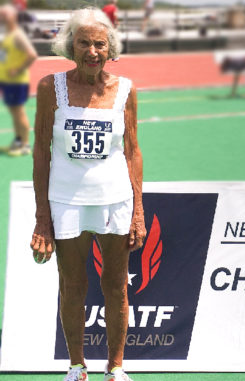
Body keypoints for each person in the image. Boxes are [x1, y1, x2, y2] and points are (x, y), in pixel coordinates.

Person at [30, 8, 145, 381]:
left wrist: (138, 211)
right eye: (84, 43)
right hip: (66, 201)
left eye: (100, 43)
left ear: (110, 47)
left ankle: (116, 367)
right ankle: (77, 367)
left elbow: (132, 151)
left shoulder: (125, 89)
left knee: (116, 285)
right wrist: (42, 219)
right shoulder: (51, 88)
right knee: (73, 284)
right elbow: (41, 152)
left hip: (115, 200)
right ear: (70, 45)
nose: (93, 51)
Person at [0, 4, 37, 157]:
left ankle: (25, 145)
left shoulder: (17, 35)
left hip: (17, 82)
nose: (2, 18)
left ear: (13, 17)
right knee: (13, 112)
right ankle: (17, 141)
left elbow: (32, 54)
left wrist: (18, 69)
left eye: (4, 15)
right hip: (7, 81)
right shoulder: (7, 34)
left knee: (19, 112)